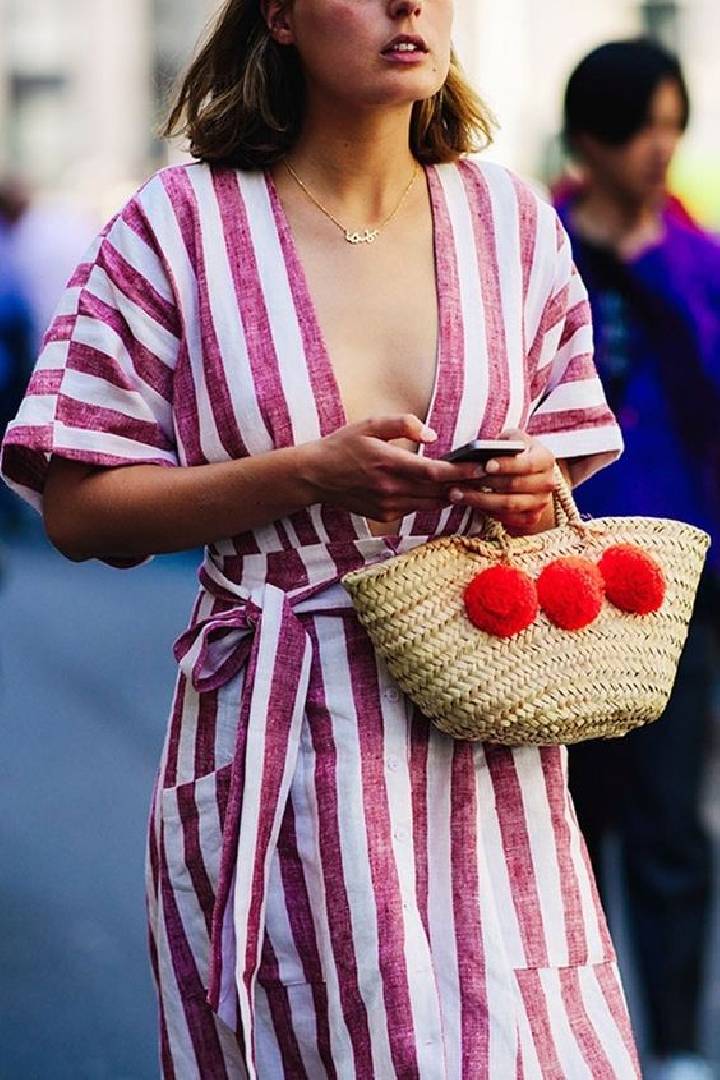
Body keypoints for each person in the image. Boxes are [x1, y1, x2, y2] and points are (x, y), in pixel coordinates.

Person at [2, 2, 638, 1076]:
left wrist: (532, 490)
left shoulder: (512, 221)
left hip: (489, 745)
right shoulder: (179, 224)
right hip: (284, 741)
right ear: (283, 16)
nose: (409, 6)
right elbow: (77, 509)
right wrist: (306, 475)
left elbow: (567, 454)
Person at [555, 39, 720, 1080]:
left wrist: (653, 259)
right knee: (566, 826)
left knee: (668, 824)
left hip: (682, 583)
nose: (659, 145)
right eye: (640, 124)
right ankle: (575, 1036)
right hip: (555, 586)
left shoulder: (697, 255)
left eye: (673, 122)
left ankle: (673, 1046)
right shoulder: (536, 247)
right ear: (588, 138)